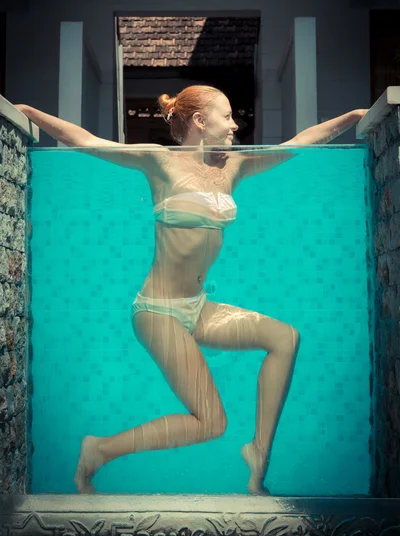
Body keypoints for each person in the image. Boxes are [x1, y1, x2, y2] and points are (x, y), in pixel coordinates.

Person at [15, 87, 368, 495]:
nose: (236, 125)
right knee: (211, 423)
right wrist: (27, 110)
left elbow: (296, 144)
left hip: (197, 308)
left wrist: (354, 115)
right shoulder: (161, 162)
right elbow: (88, 141)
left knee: (285, 339)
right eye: (228, 116)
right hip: (158, 310)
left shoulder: (231, 168)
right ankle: (99, 449)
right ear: (200, 121)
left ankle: (259, 453)